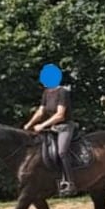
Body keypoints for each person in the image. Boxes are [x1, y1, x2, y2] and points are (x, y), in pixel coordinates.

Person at [23, 65, 77, 196]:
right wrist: (29, 124)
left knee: (62, 152)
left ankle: (70, 182)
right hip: (52, 128)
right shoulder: (46, 93)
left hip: (65, 127)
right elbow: (41, 111)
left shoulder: (62, 92)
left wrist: (42, 126)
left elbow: (60, 115)